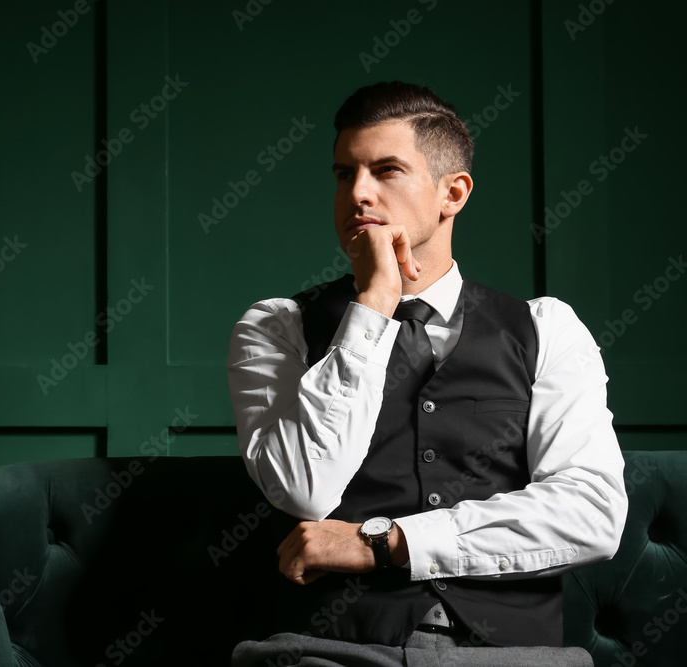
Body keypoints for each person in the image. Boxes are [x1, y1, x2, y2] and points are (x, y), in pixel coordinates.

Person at [226, 81, 627, 666]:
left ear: (453, 192)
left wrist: (386, 545)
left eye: (386, 170)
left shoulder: (547, 330)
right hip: (331, 650)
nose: (359, 194)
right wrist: (374, 305)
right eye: (344, 174)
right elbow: (303, 488)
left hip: (512, 657)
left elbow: (591, 513)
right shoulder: (277, 327)